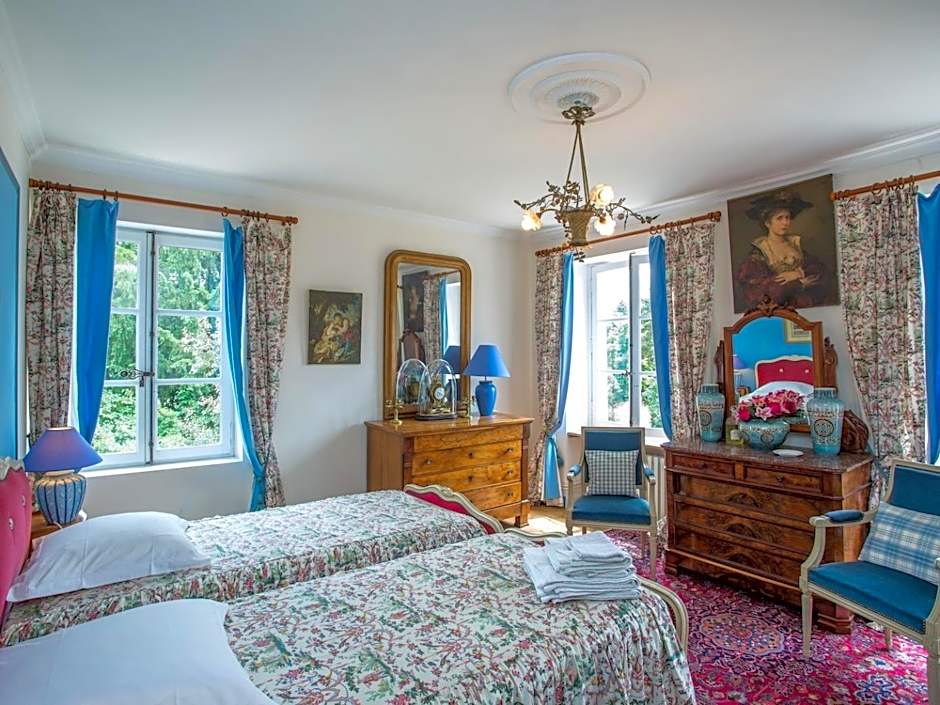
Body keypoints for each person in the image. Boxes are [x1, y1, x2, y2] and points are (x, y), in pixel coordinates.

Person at [735, 189, 829, 310]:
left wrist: (798, 274)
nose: (785, 222)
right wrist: (799, 283)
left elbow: (820, 272)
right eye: (779, 218)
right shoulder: (760, 252)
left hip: (805, 308)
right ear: (767, 223)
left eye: (787, 218)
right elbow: (759, 291)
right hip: (777, 311)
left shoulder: (795, 245)